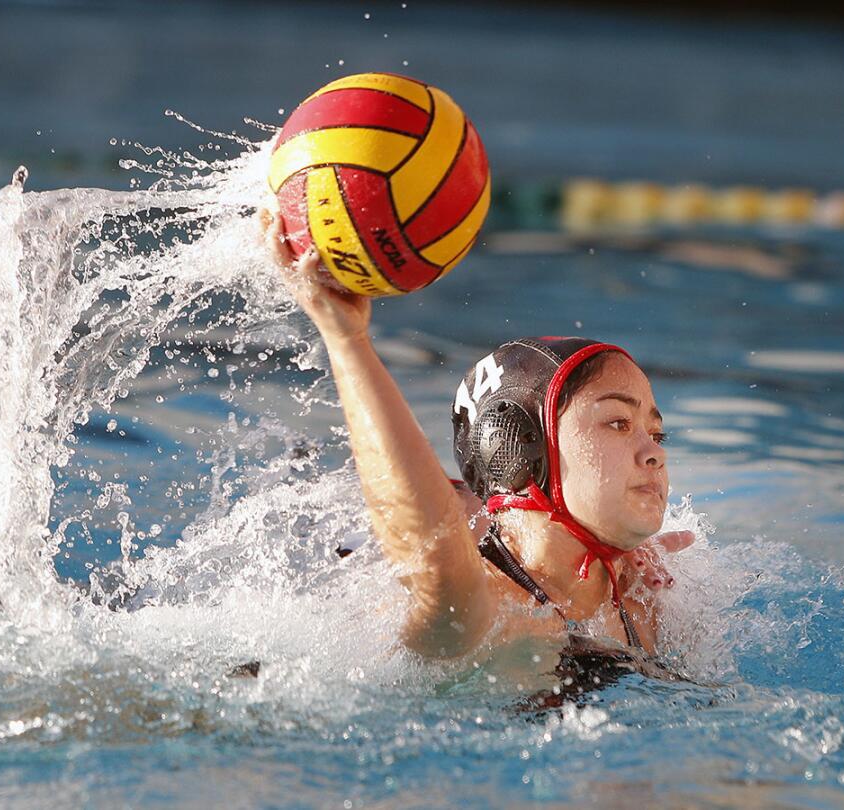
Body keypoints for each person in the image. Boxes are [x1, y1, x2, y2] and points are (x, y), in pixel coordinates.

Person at [257, 207, 694, 693]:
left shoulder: (646, 597)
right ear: (518, 449)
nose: (653, 452)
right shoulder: (488, 608)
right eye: (618, 422)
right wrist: (347, 341)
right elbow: (435, 555)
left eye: (657, 433)